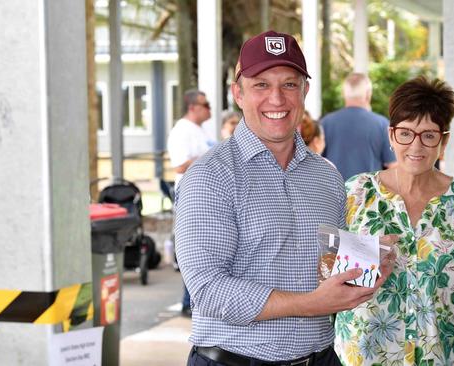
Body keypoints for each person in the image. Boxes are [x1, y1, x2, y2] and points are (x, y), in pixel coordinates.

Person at [175, 30, 391, 366]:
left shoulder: (327, 176)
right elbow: (208, 290)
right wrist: (310, 303)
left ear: (304, 91)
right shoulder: (209, 176)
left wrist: (367, 261)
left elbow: (324, 266)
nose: (277, 99)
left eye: (289, 84)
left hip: (320, 358)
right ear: (238, 93)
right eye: (261, 84)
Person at [334, 76, 454, 365]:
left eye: (428, 135)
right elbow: (329, 279)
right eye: (406, 133)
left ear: (444, 140)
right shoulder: (356, 193)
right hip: (365, 356)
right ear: (391, 135)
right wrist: (364, 254)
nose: (416, 145)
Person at [167, 89, 213, 317]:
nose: (210, 109)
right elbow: (179, 165)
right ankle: (188, 302)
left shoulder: (200, 130)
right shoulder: (181, 131)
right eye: (206, 105)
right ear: (193, 107)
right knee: (197, 249)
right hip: (193, 197)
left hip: (209, 196)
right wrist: (210, 159)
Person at [321, 73, 396, 181]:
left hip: (332, 195)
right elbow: (393, 167)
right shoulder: (382, 124)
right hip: (368, 195)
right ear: (368, 94)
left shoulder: (325, 123)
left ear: (343, 94)